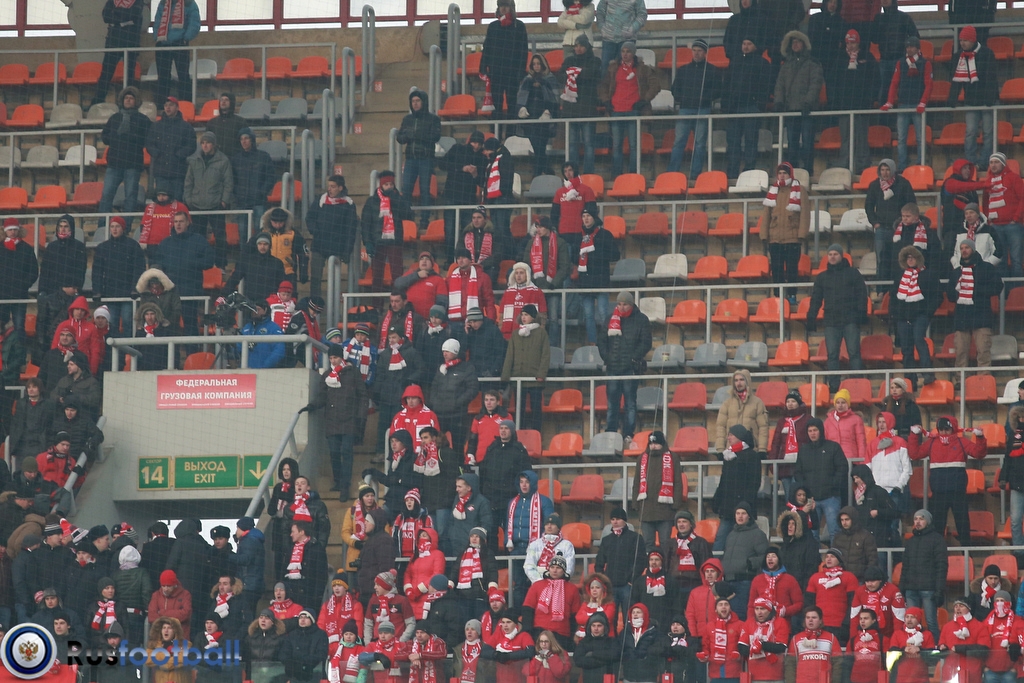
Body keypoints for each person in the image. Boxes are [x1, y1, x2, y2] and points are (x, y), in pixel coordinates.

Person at [807, 244, 868, 393]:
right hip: (831, 321)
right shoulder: (822, 277)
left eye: (835, 254)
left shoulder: (853, 273)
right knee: (832, 355)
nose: (832, 257)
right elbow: (816, 299)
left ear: (841, 256)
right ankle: (834, 387)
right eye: (830, 254)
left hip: (850, 319)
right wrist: (811, 317)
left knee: (854, 353)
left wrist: (861, 314)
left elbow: (862, 294)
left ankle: (857, 385)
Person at [311, 344, 367, 497]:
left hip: (350, 419)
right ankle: (338, 481)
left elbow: (362, 395)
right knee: (334, 452)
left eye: (335, 357)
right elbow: (322, 397)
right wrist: (312, 406)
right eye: (330, 358)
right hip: (332, 420)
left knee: (346, 452)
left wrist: (361, 416)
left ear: (341, 357)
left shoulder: (352, 372)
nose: (333, 360)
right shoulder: (327, 375)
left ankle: (345, 486)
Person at [597, 42, 660, 176]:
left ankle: (633, 174)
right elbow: (603, 86)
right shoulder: (613, 68)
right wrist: (606, 101)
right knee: (617, 145)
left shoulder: (642, 68)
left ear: (633, 53)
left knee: (633, 145)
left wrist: (644, 100)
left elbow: (655, 85)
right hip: (616, 110)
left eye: (628, 51)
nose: (625, 54)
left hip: (633, 110)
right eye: (623, 51)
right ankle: (616, 175)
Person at [597, 291, 652, 439]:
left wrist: (633, 358)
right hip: (613, 367)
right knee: (612, 403)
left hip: (630, 368)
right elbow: (601, 341)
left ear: (631, 304)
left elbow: (646, 342)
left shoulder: (641, 320)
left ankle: (628, 434)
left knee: (630, 403)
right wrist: (608, 358)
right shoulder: (610, 319)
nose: (621, 307)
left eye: (625, 304)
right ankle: (611, 433)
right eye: (619, 304)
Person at [948, 239, 1005, 372]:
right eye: (961, 248)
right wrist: (961, 292)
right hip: (962, 318)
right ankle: (960, 380)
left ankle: (984, 380)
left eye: (967, 247)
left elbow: (998, 286)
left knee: (983, 351)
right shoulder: (957, 272)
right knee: (961, 353)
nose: (964, 250)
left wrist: (974, 290)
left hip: (982, 316)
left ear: (973, 249)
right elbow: (950, 294)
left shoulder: (987, 268)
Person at [668, 39, 721, 180]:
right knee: (679, 142)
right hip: (685, 109)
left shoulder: (712, 70)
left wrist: (704, 99)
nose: (696, 53)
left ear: (705, 53)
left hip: (703, 109)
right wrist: (683, 99)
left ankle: (695, 175)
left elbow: (717, 90)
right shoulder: (683, 70)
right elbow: (675, 89)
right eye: (694, 50)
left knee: (700, 144)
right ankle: (672, 173)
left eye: (700, 51)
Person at [160, 211, 214, 348]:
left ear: (188, 223)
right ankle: (172, 359)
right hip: (170, 294)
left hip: (191, 292)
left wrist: (191, 263)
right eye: (176, 221)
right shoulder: (166, 243)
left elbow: (209, 261)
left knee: (190, 326)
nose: (178, 224)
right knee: (170, 328)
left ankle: (193, 355)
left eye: (181, 221)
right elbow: (158, 265)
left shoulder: (198, 240)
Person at [99, 87, 150, 230]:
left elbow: (147, 139)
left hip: (133, 164)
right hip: (114, 164)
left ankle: (125, 227)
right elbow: (105, 137)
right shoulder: (114, 118)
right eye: (126, 98)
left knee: (130, 197)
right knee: (107, 195)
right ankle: (102, 226)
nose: (128, 100)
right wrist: (116, 137)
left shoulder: (143, 120)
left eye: (131, 98)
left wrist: (131, 137)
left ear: (136, 101)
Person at [773, 31, 824, 173]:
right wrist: (779, 102)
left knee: (807, 143)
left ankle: (808, 171)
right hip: (790, 110)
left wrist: (808, 102)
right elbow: (779, 85)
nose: (795, 45)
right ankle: (792, 172)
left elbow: (815, 84)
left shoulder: (813, 64)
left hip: (807, 111)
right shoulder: (786, 66)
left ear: (804, 44)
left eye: (798, 42)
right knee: (792, 144)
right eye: (793, 42)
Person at [890, 246, 941, 388]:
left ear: (919, 258)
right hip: (902, 317)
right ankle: (909, 380)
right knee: (906, 348)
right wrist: (895, 314)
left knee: (919, 340)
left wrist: (927, 312)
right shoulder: (900, 275)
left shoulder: (929, 274)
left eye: (913, 257)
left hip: (920, 315)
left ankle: (928, 374)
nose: (910, 260)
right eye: (908, 258)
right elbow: (893, 297)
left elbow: (937, 296)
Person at [827, 29, 877, 172]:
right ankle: (845, 164)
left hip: (862, 106)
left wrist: (870, 99)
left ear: (858, 43)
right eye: (848, 43)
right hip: (844, 106)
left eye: (853, 43)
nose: (851, 46)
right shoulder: (839, 59)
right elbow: (832, 82)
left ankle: (863, 165)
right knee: (846, 137)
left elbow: (875, 79)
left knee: (861, 136)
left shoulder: (867, 57)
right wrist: (835, 102)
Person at [724, 34, 772, 180]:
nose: (745, 46)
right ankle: (732, 173)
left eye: (749, 44)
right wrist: (727, 105)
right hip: (734, 109)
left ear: (755, 46)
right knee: (733, 142)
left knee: (751, 141)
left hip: (751, 107)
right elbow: (727, 84)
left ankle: (749, 172)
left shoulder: (762, 63)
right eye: (744, 43)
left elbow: (766, 86)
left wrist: (759, 104)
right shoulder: (735, 62)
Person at [949, 26, 998, 170]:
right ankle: (971, 161)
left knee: (988, 132)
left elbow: (991, 77)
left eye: (965, 40)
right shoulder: (958, 56)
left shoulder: (987, 53)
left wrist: (990, 99)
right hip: (971, 100)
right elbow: (956, 79)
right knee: (970, 132)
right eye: (961, 40)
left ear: (973, 40)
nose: (962, 43)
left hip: (987, 100)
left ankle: (984, 161)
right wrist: (952, 98)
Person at [882, 38, 932, 171]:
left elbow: (929, 85)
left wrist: (923, 102)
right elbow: (894, 83)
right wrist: (890, 101)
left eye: (912, 47)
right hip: (903, 104)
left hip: (918, 104)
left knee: (920, 138)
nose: (909, 49)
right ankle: (902, 165)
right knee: (901, 138)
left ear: (917, 48)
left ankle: (921, 163)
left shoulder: (925, 63)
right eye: (907, 47)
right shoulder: (901, 63)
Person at [866, 160, 917, 292]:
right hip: (881, 229)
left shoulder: (903, 184)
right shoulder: (874, 185)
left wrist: (904, 221)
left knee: (900, 259)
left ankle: (900, 288)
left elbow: (911, 204)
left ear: (893, 170)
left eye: (887, 169)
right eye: (882, 170)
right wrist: (875, 223)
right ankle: (881, 291)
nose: (885, 173)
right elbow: (868, 206)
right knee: (881, 260)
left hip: (900, 229)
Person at [761, 161, 809, 301]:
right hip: (775, 237)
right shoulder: (773, 190)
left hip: (792, 237)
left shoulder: (800, 190)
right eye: (780, 173)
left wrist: (801, 234)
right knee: (776, 269)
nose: (782, 176)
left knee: (792, 269)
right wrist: (764, 234)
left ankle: (792, 295)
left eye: (785, 173)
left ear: (790, 174)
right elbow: (767, 214)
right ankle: (778, 296)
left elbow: (805, 214)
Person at [92, 215, 146, 337]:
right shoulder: (103, 248)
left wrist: (135, 289)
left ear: (123, 228)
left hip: (128, 294)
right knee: (112, 324)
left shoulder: (133, 246)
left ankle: (129, 348)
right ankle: (112, 349)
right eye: (112, 226)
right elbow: (97, 271)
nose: (114, 229)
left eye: (117, 226)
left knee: (128, 322)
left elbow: (139, 269)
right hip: (110, 294)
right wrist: (97, 291)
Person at [306, 175, 358, 299]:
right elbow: (309, 218)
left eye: (333, 186)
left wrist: (347, 251)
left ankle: (333, 304)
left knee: (335, 280)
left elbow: (350, 229)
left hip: (337, 247)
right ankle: (314, 304)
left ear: (340, 188)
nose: (329, 189)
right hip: (319, 245)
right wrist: (316, 232)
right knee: (315, 278)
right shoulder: (320, 200)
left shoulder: (348, 204)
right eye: (329, 186)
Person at [631, 431, 683, 554]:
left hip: (665, 510)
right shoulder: (642, 458)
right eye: (651, 443)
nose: (653, 446)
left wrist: (675, 504)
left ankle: (665, 565)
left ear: (662, 443)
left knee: (665, 543)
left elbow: (677, 482)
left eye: (656, 443)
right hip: (646, 510)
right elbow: (637, 482)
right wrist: (635, 503)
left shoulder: (673, 457)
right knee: (648, 543)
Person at [900, 509, 947, 643]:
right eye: (916, 519)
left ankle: (935, 647)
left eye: (921, 518)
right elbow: (905, 566)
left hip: (929, 588)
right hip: (911, 588)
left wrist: (939, 590)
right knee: (911, 623)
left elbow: (941, 566)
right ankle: (913, 647)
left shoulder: (937, 540)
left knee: (931, 622)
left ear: (928, 521)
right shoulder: (910, 541)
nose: (918, 522)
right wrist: (903, 586)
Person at [396, 89, 441, 229]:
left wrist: (415, 135)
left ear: (423, 102)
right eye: (413, 101)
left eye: (417, 101)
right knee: (406, 190)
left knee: (424, 191)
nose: (415, 104)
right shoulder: (407, 119)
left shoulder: (433, 119)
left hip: (426, 159)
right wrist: (408, 136)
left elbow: (435, 137)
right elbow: (400, 137)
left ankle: (424, 220)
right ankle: (407, 218)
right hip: (410, 159)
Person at [575, 207, 620, 344]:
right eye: (583, 216)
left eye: (588, 216)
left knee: (603, 314)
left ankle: (606, 341)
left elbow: (615, 255)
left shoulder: (605, 234)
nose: (586, 219)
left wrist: (597, 255)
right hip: (585, 281)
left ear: (595, 217)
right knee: (588, 315)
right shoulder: (579, 236)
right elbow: (573, 257)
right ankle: (593, 343)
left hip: (601, 280)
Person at [361, 171, 412, 293]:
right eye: (386, 184)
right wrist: (367, 242)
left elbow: (409, 215)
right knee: (377, 275)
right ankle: (376, 302)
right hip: (377, 242)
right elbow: (366, 223)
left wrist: (396, 199)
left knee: (397, 273)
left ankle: (398, 299)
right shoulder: (372, 201)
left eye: (391, 184)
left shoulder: (398, 198)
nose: (389, 187)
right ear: (381, 185)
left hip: (395, 241)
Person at [713, 426, 763, 550]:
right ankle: (716, 562)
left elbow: (754, 482)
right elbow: (723, 482)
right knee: (721, 539)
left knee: (744, 541)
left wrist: (745, 504)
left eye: (731, 435)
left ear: (739, 437)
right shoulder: (728, 456)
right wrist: (717, 500)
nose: (728, 438)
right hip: (727, 508)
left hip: (743, 509)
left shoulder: (752, 456)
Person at [500, 307, 549, 430]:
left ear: (533, 317)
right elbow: (510, 355)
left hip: (535, 380)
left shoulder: (541, 333)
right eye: (522, 314)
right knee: (519, 410)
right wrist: (505, 375)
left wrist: (541, 374)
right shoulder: (515, 334)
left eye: (526, 314)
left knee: (536, 410)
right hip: (518, 378)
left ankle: (536, 434)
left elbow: (545, 355)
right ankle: (519, 433)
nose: (523, 317)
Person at [593, 508, 646, 620]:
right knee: (610, 619)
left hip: (628, 586)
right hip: (610, 586)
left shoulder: (635, 538)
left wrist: (631, 580)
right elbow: (599, 562)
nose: (615, 522)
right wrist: (603, 580)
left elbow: (641, 561)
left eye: (618, 519)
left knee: (629, 618)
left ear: (624, 520)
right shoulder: (607, 540)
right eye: (612, 519)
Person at [559, 36, 603, 174]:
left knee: (589, 144)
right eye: (576, 45)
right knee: (572, 145)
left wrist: (574, 73)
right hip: (570, 110)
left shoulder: (595, 61)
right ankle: (574, 175)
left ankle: (589, 174)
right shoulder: (568, 60)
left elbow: (592, 75)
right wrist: (580, 73)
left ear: (587, 47)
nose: (578, 48)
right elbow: (561, 76)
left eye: (581, 46)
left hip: (587, 110)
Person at [439, 134, 486, 263]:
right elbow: (442, 164)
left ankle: (465, 260)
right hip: (451, 196)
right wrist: (461, 168)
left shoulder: (482, 158)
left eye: (479, 144)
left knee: (467, 232)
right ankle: (450, 260)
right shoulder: (457, 149)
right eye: (474, 143)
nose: (476, 146)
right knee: (450, 231)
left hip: (468, 199)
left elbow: (482, 181)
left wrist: (475, 174)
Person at [480, 0, 529, 119]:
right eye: (501, 6)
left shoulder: (519, 26)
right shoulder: (493, 26)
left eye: (506, 6)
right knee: (496, 104)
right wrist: (483, 67)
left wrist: (521, 72)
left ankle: (511, 130)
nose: (503, 8)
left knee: (512, 104)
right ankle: (496, 129)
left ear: (511, 8)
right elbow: (487, 48)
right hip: (496, 72)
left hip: (513, 73)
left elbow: (523, 51)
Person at [522, 555, 581, 650]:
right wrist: (528, 632)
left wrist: (571, 635)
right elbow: (528, 610)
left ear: (564, 570)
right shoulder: (537, 586)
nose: (554, 570)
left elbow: (575, 615)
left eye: (558, 568)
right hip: (539, 631)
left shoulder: (572, 589)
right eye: (552, 567)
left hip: (562, 634)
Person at [721, 502, 768, 620]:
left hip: (745, 582)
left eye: (743, 513)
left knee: (741, 616)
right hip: (728, 582)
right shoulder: (730, 535)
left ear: (749, 516)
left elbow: (766, 556)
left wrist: (750, 564)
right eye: (738, 513)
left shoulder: (758, 534)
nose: (740, 516)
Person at [430, 338, 478, 452]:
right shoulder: (441, 368)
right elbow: (434, 388)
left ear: (455, 352)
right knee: (438, 446)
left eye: (448, 351)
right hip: (440, 414)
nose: (445, 354)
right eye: (443, 351)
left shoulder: (467, 368)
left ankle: (458, 464)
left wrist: (457, 403)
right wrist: (435, 403)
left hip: (458, 415)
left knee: (458, 448)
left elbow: (473, 389)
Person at [981, 152, 1024, 280]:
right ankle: (1003, 290)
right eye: (991, 162)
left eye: (996, 162)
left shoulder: (1014, 178)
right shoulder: (988, 181)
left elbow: (1022, 198)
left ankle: (1018, 289)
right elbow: (985, 203)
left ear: (1003, 164)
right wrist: (989, 220)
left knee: (1016, 259)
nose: (993, 165)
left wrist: (1016, 218)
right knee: (1000, 259)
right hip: (996, 226)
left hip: (1013, 225)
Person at [516, 55, 560, 176]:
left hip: (544, 120)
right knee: (538, 148)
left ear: (543, 65)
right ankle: (547, 172)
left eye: (538, 64)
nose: (536, 66)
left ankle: (538, 175)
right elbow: (521, 97)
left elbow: (555, 99)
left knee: (540, 148)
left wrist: (548, 111)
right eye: (534, 64)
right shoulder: (527, 80)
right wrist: (521, 108)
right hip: (530, 120)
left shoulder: (550, 79)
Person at [145, 98, 194, 203]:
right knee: (162, 202)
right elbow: (149, 143)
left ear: (177, 107)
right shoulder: (156, 126)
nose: (168, 107)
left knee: (177, 202)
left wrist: (179, 155)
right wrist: (156, 153)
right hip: (161, 172)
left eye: (171, 105)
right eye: (166, 105)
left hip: (178, 172)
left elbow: (191, 145)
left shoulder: (186, 127)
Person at [806, 548, 859, 644]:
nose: (829, 559)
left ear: (840, 560)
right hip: (820, 625)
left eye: (832, 557)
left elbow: (853, 603)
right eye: (827, 557)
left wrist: (846, 623)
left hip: (840, 625)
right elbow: (809, 603)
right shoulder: (815, 577)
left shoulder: (849, 577)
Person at [449, 526, 498, 629]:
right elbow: (455, 571)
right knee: (466, 625)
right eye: (472, 536)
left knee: (480, 624)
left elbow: (492, 571)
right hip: (463, 596)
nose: (474, 539)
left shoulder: (488, 553)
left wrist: (492, 587)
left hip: (480, 596)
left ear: (482, 539)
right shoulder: (463, 553)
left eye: (477, 536)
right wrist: (450, 584)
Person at [231, 128, 275, 241]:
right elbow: (232, 180)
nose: (244, 141)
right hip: (242, 202)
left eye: (246, 138)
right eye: (241, 139)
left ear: (252, 140)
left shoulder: (263, 157)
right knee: (242, 232)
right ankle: (244, 253)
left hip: (258, 201)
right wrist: (238, 194)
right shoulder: (235, 159)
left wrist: (261, 192)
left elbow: (271, 177)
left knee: (260, 231)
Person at [152, 0, 199, 104]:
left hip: (180, 43)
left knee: (183, 76)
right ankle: (161, 105)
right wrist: (157, 37)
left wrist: (186, 38)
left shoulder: (189, 3)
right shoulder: (163, 3)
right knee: (162, 77)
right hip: (163, 43)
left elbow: (194, 23)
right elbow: (158, 21)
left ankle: (186, 104)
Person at [715, 369, 770, 455]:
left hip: (751, 450)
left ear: (747, 381)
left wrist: (762, 449)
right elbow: (720, 427)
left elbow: (763, 427)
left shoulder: (757, 403)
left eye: (741, 380)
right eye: (736, 380)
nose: (738, 383)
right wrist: (720, 449)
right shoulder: (727, 403)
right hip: (731, 451)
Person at [872, 0, 918, 102]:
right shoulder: (878, 18)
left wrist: (907, 49)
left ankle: (903, 110)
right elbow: (874, 39)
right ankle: (884, 111)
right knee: (884, 91)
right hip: (884, 59)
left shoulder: (904, 17)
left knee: (902, 90)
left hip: (900, 59)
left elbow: (915, 37)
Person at [937, 599, 991, 683]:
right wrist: (942, 647)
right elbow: (941, 645)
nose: (958, 609)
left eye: (961, 606)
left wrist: (961, 648)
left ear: (969, 609)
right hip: (951, 672)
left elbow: (983, 649)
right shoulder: (947, 627)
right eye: (956, 606)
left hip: (972, 672)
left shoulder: (980, 626)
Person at [739, 597, 791, 682]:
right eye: (757, 609)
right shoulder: (749, 623)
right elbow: (742, 647)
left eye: (763, 609)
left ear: (770, 610)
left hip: (776, 675)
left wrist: (762, 645)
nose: (759, 612)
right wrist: (753, 648)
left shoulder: (780, 622)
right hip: (754, 676)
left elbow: (781, 647)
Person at [0, 220, 37, 336]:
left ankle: (19, 348)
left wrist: (23, 286)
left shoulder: (26, 248)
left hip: (20, 294)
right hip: (1, 294)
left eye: (15, 229)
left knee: (19, 326)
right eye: (10, 229)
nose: (12, 232)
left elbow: (33, 271)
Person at [442, 474, 493, 558]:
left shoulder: (482, 502)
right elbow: (451, 521)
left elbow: (486, 524)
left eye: (460, 487)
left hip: (474, 547)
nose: (457, 489)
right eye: (456, 486)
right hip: (456, 544)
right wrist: (452, 535)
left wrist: (476, 539)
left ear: (469, 488)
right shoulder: (457, 499)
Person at [695, 589, 743, 680]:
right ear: (716, 610)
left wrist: (739, 656)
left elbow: (744, 647)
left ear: (730, 608)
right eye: (720, 605)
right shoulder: (709, 626)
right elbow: (705, 646)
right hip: (715, 673)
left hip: (734, 673)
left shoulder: (740, 625)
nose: (723, 607)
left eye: (726, 604)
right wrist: (704, 656)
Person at [853, 460, 901, 549]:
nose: (855, 481)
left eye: (857, 477)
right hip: (863, 541)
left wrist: (878, 512)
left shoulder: (878, 491)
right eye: (854, 478)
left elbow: (895, 512)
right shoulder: (857, 495)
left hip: (879, 539)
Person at [480, 609, 535, 683]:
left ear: (515, 623)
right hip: (500, 680)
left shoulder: (524, 636)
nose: (505, 625)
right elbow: (484, 651)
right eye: (503, 622)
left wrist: (508, 656)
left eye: (508, 622)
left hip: (519, 680)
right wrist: (496, 655)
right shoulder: (498, 635)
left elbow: (530, 652)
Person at [38, 215, 87, 296]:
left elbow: (80, 272)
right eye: (60, 226)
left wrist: (74, 288)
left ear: (71, 228)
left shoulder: (79, 247)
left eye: (66, 226)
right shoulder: (51, 247)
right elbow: (44, 272)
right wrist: (42, 290)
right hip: (52, 293)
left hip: (71, 293)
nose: (63, 229)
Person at [523, 514, 576, 586]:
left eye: (553, 524)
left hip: (560, 584)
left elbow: (569, 567)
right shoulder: (534, 545)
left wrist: (558, 582)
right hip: (538, 584)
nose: (549, 526)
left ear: (558, 527)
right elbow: (529, 566)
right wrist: (539, 581)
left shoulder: (567, 545)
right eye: (547, 524)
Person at [363, 568, 414, 642]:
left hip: (396, 643)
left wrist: (401, 641)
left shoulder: (402, 601)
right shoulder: (373, 601)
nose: (375, 587)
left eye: (378, 585)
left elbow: (410, 623)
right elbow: (368, 624)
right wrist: (368, 643)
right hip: (376, 643)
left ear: (386, 586)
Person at [404, 529, 446, 617]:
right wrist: (408, 589)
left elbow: (437, 574)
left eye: (424, 535)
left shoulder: (438, 554)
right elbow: (408, 574)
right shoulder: (415, 556)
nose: (421, 538)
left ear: (432, 538)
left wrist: (420, 589)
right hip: (412, 598)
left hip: (428, 596)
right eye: (419, 536)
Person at [447, 249, 496, 324]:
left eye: (464, 257)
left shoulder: (483, 277)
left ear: (470, 260)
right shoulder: (450, 279)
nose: (461, 261)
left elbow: (489, 302)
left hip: (475, 323)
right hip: (455, 322)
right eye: (458, 258)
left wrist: (490, 322)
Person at [776, 511, 821, 593]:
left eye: (793, 524)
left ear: (800, 526)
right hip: (786, 588)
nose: (790, 526)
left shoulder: (810, 544)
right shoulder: (785, 545)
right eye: (788, 523)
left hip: (802, 589)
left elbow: (811, 570)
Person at [481, 137, 516, 242]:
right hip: (494, 199)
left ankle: (506, 250)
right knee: (496, 229)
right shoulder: (492, 160)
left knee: (502, 229)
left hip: (502, 198)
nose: (485, 153)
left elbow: (506, 179)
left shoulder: (504, 158)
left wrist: (500, 192)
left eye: (487, 150)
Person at [595, 0, 647, 70]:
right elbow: (600, 12)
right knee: (606, 69)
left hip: (627, 39)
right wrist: (602, 28)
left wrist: (632, 29)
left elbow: (642, 14)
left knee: (626, 69)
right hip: (608, 39)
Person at [280, 610, 330, 683]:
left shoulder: (321, 635)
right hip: (294, 676)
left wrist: (303, 662)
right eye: (300, 617)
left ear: (312, 620)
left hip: (314, 675)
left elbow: (321, 654)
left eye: (306, 617)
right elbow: (284, 654)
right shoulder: (292, 635)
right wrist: (293, 665)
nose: (302, 620)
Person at [462, 206, 507, 287]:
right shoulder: (466, 233)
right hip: (468, 265)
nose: (476, 220)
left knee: (490, 273)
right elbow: (459, 251)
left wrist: (481, 265)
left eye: (479, 217)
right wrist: (468, 263)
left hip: (487, 267)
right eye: (473, 218)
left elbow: (498, 254)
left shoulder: (494, 233)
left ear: (485, 219)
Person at [630, 550, 675, 630]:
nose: (654, 562)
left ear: (662, 562)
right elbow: (634, 602)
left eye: (657, 560)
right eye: (651, 559)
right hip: (644, 622)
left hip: (665, 622)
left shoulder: (670, 581)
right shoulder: (640, 581)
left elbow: (675, 603)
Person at [888, 607, 935, 683]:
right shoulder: (897, 634)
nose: (909, 620)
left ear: (918, 619)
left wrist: (920, 650)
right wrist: (903, 650)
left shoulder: (927, 634)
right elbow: (892, 652)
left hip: (921, 677)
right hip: (901, 677)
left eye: (912, 617)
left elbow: (932, 656)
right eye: (907, 617)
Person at [832, 506, 879, 580]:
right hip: (840, 579)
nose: (844, 522)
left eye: (847, 519)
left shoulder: (866, 536)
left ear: (853, 519)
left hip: (860, 579)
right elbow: (833, 557)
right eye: (842, 520)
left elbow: (872, 559)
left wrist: (867, 577)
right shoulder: (838, 537)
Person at [500, 264, 547, 338]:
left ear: (527, 274)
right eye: (516, 273)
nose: (518, 275)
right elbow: (501, 315)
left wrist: (540, 331)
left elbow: (543, 314)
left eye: (521, 273)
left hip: (531, 334)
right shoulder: (508, 292)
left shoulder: (537, 292)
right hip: (509, 334)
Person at [237, 300, 284, 369]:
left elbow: (279, 351)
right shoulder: (247, 328)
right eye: (253, 309)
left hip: (266, 371)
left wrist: (265, 366)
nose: (255, 312)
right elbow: (238, 349)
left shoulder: (273, 328)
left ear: (265, 310)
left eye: (258, 309)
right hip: (247, 371)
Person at [823, 389, 867, 461]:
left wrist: (861, 460)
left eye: (843, 402)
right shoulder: (828, 421)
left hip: (851, 459)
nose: (840, 405)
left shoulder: (856, 419)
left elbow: (861, 442)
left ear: (848, 404)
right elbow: (825, 443)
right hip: (832, 459)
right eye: (838, 402)